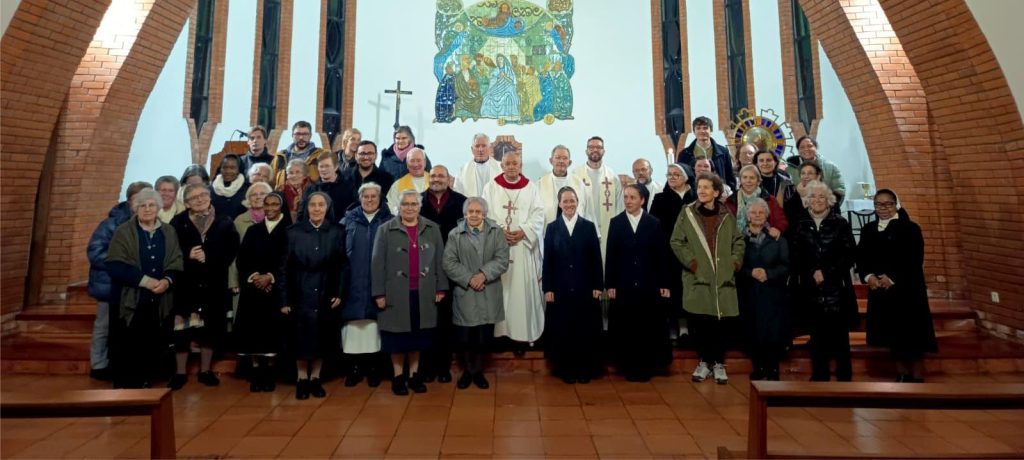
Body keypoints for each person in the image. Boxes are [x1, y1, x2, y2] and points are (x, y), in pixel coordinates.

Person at [372, 190, 448, 396]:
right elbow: (377, 264)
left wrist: (441, 287)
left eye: (414, 204)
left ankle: (414, 376)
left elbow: (440, 261)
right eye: (405, 204)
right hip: (395, 293)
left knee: (418, 337)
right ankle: (398, 377)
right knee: (397, 338)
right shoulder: (385, 230)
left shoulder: (432, 229)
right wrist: (379, 293)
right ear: (399, 206)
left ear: (420, 206)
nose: (409, 208)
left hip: (424, 292)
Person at [671, 172, 745, 385]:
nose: (702, 190)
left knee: (719, 323)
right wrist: (693, 263)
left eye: (706, 187)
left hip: (722, 278)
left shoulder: (726, 215)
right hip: (699, 277)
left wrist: (734, 262)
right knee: (701, 322)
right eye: (699, 187)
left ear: (716, 192)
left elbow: (738, 241)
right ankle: (704, 362)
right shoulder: (688, 213)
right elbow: (677, 241)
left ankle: (719, 363)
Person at [106, 188, 183, 389]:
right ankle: (129, 384)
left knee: (154, 341)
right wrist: (146, 281)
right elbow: (115, 264)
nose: (147, 209)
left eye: (151, 205)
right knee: (130, 343)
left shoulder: (169, 231)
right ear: (135, 208)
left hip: (160, 298)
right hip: (132, 298)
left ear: (158, 207)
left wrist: (166, 281)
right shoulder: (124, 231)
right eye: (142, 205)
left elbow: (176, 261)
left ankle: (149, 379)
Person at [857, 189, 937, 382]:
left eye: (888, 204)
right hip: (881, 290)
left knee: (912, 332)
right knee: (892, 333)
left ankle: (917, 374)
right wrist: (869, 276)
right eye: (878, 205)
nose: (883, 209)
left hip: (907, 289)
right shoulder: (869, 229)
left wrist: (892, 277)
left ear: (896, 204)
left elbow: (914, 258)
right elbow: (862, 257)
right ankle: (901, 372)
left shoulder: (910, 228)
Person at [168, 184, 240, 390]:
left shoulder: (224, 221)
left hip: (213, 284)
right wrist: (187, 255)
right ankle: (180, 372)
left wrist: (210, 257)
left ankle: (205, 370)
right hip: (186, 285)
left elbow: (232, 249)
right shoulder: (178, 222)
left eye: (203, 195)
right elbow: (171, 249)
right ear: (187, 202)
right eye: (193, 197)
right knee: (182, 331)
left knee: (210, 329)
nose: (199, 199)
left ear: (210, 197)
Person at [280, 192, 346, 399]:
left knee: (322, 337)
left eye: (321, 205)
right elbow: (283, 268)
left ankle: (316, 378)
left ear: (327, 208)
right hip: (299, 292)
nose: (317, 209)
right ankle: (302, 378)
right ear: (306, 208)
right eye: (313, 205)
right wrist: (284, 299)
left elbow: (343, 265)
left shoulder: (337, 232)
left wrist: (339, 292)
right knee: (301, 338)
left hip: (326, 291)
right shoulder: (293, 232)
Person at [791, 180, 857, 381]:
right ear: (807, 201)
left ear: (829, 200)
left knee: (839, 334)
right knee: (816, 333)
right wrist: (813, 271)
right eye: (813, 197)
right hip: (811, 287)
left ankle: (844, 374)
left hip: (837, 287)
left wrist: (827, 273)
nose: (817, 200)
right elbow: (795, 255)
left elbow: (849, 254)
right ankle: (820, 373)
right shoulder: (800, 225)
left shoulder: (840, 223)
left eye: (821, 196)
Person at [606, 185, 672, 381]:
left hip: (648, 284)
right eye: (625, 197)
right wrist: (610, 284)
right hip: (624, 285)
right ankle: (626, 365)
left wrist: (664, 283)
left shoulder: (654, 223)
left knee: (646, 327)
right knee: (626, 327)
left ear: (642, 200)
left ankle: (646, 366)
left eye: (632, 197)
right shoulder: (616, 222)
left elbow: (661, 256)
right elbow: (611, 255)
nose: (628, 201)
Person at [86, 181, 152, 381]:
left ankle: (121, 362)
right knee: (104, 325)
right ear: (130, 200)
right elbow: (95, 251)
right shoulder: (111, 223)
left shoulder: (148, 221)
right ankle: (98, 364)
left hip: (135, 284)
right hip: (110, 283)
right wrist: (120, 264)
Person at [443, 197, 510, 389]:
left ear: (484, 214)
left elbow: (502, 258)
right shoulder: (455, 234)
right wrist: (470, 278)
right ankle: (467, 372)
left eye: (478, 212)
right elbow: (449, 262)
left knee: (483, 337)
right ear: (465, 214)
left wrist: (483, 275)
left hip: (488, 290)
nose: (474, 215)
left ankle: (478, 372)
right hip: (466, 292)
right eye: (470, 211)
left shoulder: (496, 232)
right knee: (465, 337)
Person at [481, 152, 546, 350]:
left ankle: (520, 335)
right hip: (498, 249)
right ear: (501, 165)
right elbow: (484, 214)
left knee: (520, 293)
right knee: (500, 291)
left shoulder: (531, 188)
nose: (511, 167)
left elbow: (539, 215)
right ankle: (499, 335)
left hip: (522, 248)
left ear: (521, 166)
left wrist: (523, 232)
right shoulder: (491, 187)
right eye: (507, 163)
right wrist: (500, 232)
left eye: (515, 163)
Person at [542, 187, 603, 383]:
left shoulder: (588, 226)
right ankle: (565, 368)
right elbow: (548, 260)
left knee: (584, 329)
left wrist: (597, 285)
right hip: (560, 288)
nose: (569, 204)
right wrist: (548, 288)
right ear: (559, 204)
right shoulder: (552, 228)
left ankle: (585, 369)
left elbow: (596, 258)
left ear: (578, 202)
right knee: (564, 329)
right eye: (565, 201)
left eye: (572, 201)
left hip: (585, 287)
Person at [235, 192, 291, 392]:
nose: (270, 208)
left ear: (281, 206)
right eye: (266, 204)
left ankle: (270, 374)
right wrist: (255, 277)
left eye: (274, 204)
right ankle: (256, 372)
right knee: (254, 333)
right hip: (254, 290)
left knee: (272, 334)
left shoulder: (290, 231)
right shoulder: (253, 230)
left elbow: (289, 261)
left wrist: (271, 277)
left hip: (277, 291)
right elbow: (243, 259)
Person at [339, 183, 392, 388]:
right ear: (360, 199)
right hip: (353, 283)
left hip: (379, 283)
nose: (369, 200)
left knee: (375, 329)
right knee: (353, 330)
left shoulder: (389, 220)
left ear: (380, 199)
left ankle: (374, 368)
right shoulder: (347, 221)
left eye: (373, 196)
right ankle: (354, 369)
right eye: (366, 197)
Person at [418, 165, 467, 382]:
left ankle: (444, 367)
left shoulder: (461, 201)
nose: (437, 179)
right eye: (434, 175)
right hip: (423, 268)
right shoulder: (417, 202)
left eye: (442, 176)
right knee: (426, 319)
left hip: (452, 268)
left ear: (449, 179)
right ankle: (426, 367)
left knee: (447, 320)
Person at [737, 198, 790, 381]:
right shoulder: (739, 239)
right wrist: (750, 272)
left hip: (772, 293)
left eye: (761, 213)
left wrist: (768, 273)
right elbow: (735, 266)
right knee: (753, 332)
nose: (757, 216)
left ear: (767, 215)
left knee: (772, 333)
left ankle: (773, 369)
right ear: (747, 215)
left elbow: (785, 266)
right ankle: (758, 367)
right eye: (753, 212)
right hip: (749, 292)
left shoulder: (777, 238)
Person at [649, 163, 696, 340]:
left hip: (692, 252)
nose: (672, 177)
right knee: (672, 289)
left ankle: (689, 327)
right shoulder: (660, 199)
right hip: (669, 252)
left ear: (686, 177)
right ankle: (674, 326)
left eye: (676, 174)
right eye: (669, 174)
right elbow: (654, 227)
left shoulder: (696, 197)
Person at [571, 136, 623, 261]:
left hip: (608, 229)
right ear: (586, 151)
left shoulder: (612, 177)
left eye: (599, 147)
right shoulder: (576, 175)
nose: (595, 150)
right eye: (591, 147)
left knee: (607, 263)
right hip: (583, 229)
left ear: (603, 151)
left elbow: (620, 206)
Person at [725, 165, 789, 238]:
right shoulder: (730, 200)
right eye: (745, 177)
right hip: (737, 240)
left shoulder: (770, 199)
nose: (748, 181)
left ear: (758, 181)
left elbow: (782, 220)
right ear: (740, 180)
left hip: (764, 240)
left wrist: (778, 228)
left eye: (752, 178)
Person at [678, 116, 736, 188]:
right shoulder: (684, 154)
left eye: (705, 128)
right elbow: (681, 178)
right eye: (698, 128)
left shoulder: (723, 152)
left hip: (719, 194)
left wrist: (729, 195)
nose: (702, 131)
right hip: (694, 195)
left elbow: (730, 177)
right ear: (694, 132)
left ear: (711, 131)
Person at [787, 135, 846, 207]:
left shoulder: (831, 167)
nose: (806, 149)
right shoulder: (790, 169)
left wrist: (825, 206)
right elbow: (787, 194)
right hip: (800, 213)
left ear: (816, 147)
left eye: (810, 146)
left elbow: (839, 190)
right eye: (802, 147)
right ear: (798, 150)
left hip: (828, 211)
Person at [339, 140, 395, 213]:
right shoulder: (343, 176)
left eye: (370, 153)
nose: (366, 157)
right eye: (362, 153)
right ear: (356, 156)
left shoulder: (387, 179)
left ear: (376, 156)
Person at [537, 145, 588, 224]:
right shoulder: (540, 184)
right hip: (549, 232)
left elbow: (587, 211)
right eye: (557, 157)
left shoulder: (579, 183)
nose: (561, 161)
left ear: (570, 162)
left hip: (576, 231)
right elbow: (536, 213)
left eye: (565, 158)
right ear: (551, 160)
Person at [271, 121, 325, 188]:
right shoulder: (280, 157)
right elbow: (271, 182)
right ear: (292, 136)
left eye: (305, 134)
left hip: (311, 196)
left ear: (310, 136)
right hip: (283, 197)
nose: (301, 137)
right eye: (298, 134)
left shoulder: (320, 156)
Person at [299, 152, 348, 222]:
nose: (323, 170)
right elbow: (301, 214)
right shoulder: (311, 189)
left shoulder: (348, 187)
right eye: (321, 166)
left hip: (340, 230)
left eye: (327, 166)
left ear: (336, 167)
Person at [454, 133, 501, 198]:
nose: (480, 149)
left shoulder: (501, 168)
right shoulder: (463, 170)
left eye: (484, 146)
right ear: (472, 149)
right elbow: (457, 194)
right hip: (471, 207)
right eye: (477, 146)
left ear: (490, 148)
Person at [386, 148, 430, 214]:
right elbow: (390, 206)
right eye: (412, 161)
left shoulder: (435, 181)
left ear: (425, 162)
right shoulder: (398, 185)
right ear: (407, 164)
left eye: (418, 160)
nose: (415, 164)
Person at [783, 162, 822, 233]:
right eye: (803, 173)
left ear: (818, 176)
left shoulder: (828, 197)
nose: (806, 176)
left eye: (810, 173)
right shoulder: (791, 201)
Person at [211, 154, 250, 219]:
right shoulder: (211, 189)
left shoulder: (248, 189)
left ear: (239, 170)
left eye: (232, 168)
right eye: (225, 167)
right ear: (220, 169)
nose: (228, 171)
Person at [279, 159, 313, 223]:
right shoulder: (281, 189)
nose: (294, 176)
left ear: (305, 175)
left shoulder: (313, 188)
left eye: (298, 172)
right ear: (287, 176)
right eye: (291, 173)